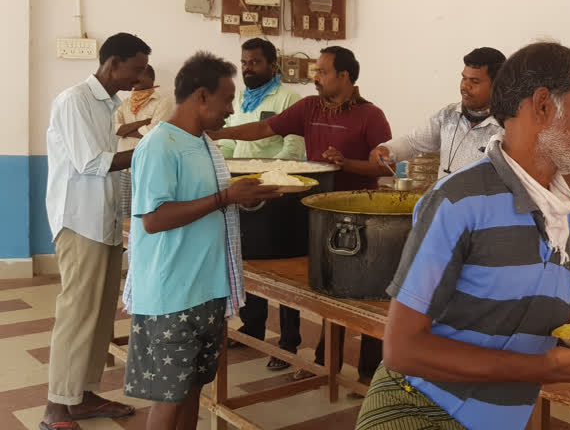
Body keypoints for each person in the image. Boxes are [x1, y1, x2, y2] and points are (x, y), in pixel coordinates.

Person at [355, 42, 570, 430]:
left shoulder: (557, 209)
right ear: (541, 105)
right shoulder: (458, 201)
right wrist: (544, 367)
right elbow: (403, 349)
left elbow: (526, 305)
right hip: (419, 410)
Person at [210, 45, 393, 387]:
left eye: (322, 72)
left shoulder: (371, 115)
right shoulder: (309, 107)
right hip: (316, 213)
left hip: (357, 217)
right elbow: (263, 130)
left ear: (344, 76)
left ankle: (368, 375)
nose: (316, 78)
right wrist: (219, 134)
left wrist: (346, 163)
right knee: (324, 291)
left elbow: (385, 164)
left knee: (364, 295)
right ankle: (324, 363)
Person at [122, 51, 281, 429]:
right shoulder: (160, 145)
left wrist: (242, 195)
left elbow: (209, 205)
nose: (231, 108)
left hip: (208, 290)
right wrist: (225, 198)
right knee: (168, 399)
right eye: (226, 99)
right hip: (170, 295)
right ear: (201, 96)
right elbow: (154, 219)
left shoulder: (206, 144)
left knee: (194, 388)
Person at [42, 33, 151, 430]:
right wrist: (151, 150)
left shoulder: (108, 105)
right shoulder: (74, 100)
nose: (139, 79)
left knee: (100, 314)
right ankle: (56, 407)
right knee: (77, 313)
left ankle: (83, 396)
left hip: (103, 221)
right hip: (79, 221)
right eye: (136, 69)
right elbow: (91, 163)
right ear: (112, 64)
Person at [220, 38, 305, 372]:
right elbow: (227, 138)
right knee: (248, 261)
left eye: (254, 62)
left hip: (275, 193)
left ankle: (288, 341)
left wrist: (271, 178)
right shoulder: (239, 99)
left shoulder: (288, 98)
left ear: (273, 66)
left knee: (282, 270)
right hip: (242, 190)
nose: (247, 68)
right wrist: (223, 171)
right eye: (243, 62)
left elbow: (294, 148)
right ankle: (252, 326)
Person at [370, 47, 505, 176]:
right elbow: (412, 143)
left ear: (497, 85)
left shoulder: (508, 127)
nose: (465, 86)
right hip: (443, 200)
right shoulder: (448, 115)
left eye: (474, 81)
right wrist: (387, 150)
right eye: (464, 78)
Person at [114, 64, 174, 216]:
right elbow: (114, 129)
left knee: (147, 213)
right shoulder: (125, 103)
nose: (134, 80)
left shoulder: (164, 102)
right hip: (124, 168)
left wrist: (126, 130)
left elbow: (154, 133)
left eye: (139, 75)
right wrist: (142, 123)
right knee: (126, 215)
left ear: (150, 79)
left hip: (149, 167)